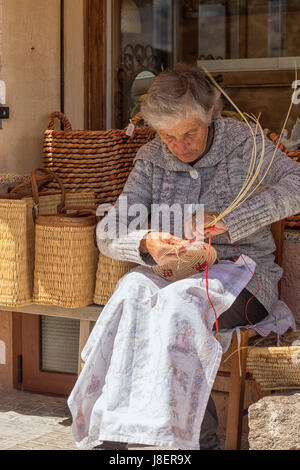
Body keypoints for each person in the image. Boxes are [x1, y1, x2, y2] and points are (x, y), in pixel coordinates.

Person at [68, 63, 299, 450]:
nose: (179, 146)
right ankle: (113, 436)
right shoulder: (152, 158)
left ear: (210, 113)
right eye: (168, 136)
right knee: (130, 293)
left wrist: (231, 221)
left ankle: (195, 442)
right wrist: (146, 242)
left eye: (189, 133)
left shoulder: (244, 143)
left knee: (178, 308)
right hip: (174, 278)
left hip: (245, 280)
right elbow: (108, 232)